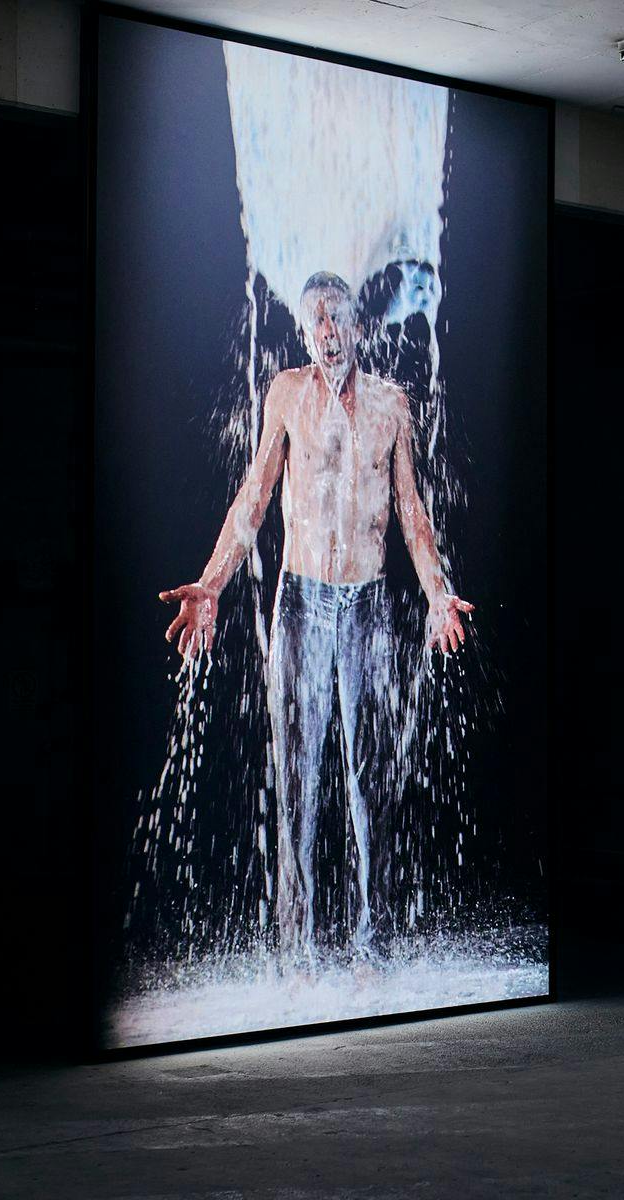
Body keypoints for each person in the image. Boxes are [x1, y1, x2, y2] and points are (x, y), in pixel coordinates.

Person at [158, 271, 473, 955]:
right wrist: (212, 584)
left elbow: (412, 514)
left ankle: (373, 945)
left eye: (339, 318)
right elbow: (254, 497)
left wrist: (437, 592)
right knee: (294, 778)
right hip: (301, 601)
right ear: (304, 333)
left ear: (359, 326)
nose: (330, 331)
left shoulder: (393, 404)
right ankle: (294, 955)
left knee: (370, 779)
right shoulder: (287, 395)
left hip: (366, 605)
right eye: (317, 321)